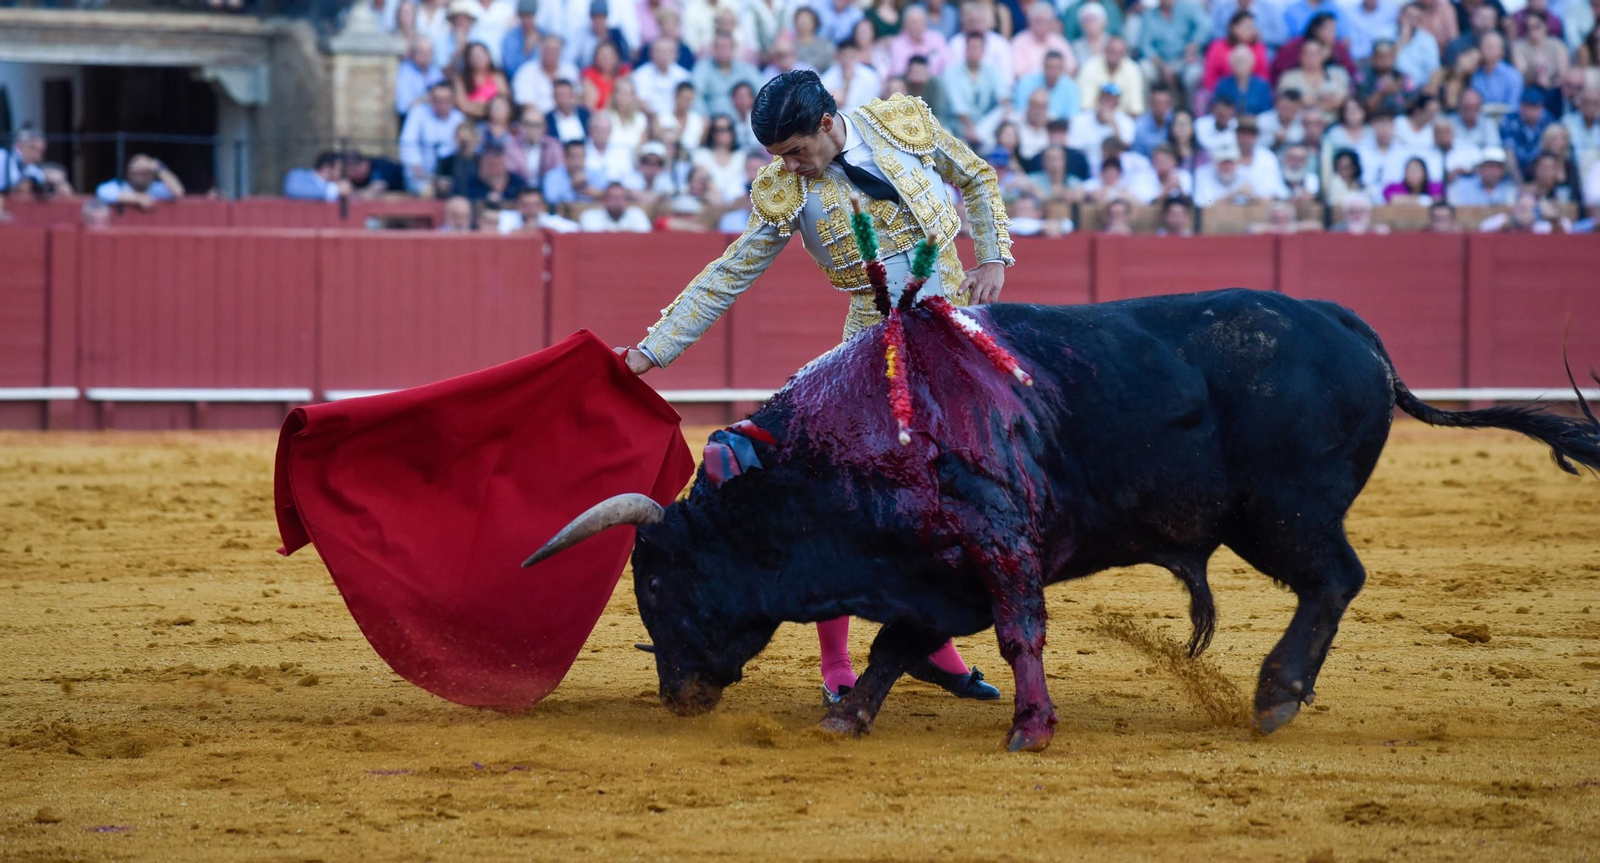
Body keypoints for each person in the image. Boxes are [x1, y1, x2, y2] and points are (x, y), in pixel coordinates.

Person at [610, 71, 1011, 706]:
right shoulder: (784, 191)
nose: (791, 168)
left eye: (796, 151)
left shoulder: (900, 124)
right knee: (841, 496)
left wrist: (993, 255)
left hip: (955, 331)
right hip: (868, 350)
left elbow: (977, 177)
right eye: (779, 158)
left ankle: (931, 646)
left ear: (827, 123)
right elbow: (730, 272)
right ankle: (838, 664)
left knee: (960, 497)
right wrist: (652, 351)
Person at [401, 82, 469, 192]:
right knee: (427, 191)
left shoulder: (458, 118)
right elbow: (407, 143)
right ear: (430, 100)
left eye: (446, 100)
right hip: (422, 176)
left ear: (453, 100)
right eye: (437, 100)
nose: (442, 104)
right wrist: (420, 171)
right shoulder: (418, 113)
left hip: (449, 175)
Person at [513, 34, 580, 112]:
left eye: (555, 50)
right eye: (548, 50)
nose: (551, 54)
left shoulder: (570, 70)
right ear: (540, 50)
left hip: (565, 115)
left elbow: (578, 97)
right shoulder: (526, 71)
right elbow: (525, 102)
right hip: (538, 118)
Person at [95, 154, 185, 210]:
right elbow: (102, 192)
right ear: (128, 174)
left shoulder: (157, 188)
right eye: (135, 173)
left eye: (144, 173)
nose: (139, 177)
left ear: (152, 175)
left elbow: (178, 192)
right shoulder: (120, 186)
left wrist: (159, 168)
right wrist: (137, 198)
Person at [1445, 145, 1518, 204]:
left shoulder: (1510, 189)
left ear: (1502, 170)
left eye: (1495, 167)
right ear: (1480, 168)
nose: (1491, 171)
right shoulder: (1462, 186)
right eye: (1488, 166)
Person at [543, 138, 607, 203]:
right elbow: (551, 200)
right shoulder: (553, 176)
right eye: (573, 157)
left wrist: (589, 190)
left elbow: (607, 196)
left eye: (580, 157)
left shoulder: (595, 174)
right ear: (565, 158)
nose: (577, 162)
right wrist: (572, 187)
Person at [579, 181, 653, 230]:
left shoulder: (637, 214)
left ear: (626, 200)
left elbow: (644, 236)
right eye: (613, 197)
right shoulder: (590, 216)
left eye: (620, 197)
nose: (617, 201)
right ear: (605, 200)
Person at [284, 152, 354, 201]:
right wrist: (335, 190)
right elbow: (293, 190)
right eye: (339, 170)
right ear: (327, 168)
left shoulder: (335, 188)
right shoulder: (297, 176)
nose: (340, 174)